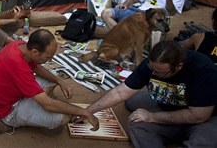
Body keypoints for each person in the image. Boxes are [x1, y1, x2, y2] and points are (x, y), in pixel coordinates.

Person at [82, 40, 217, 147]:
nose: (153, 74)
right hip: (169, 104)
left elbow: (198, 116)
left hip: (203, 117)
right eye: (152, 69)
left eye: (159, 72)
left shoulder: (203, 70)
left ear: (179, 66)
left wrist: (152, 117)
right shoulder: (153, 64)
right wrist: (87, 111)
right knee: (135, 115)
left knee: (204, 141)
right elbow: (120, 91)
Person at [0, 29, 99, 130]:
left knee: (51, 79)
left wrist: (59, 81)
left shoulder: (21, 45)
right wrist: (84, 112)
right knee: (63, 119)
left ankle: (36, 104)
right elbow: (47, 105)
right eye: (48, 57)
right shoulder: (18, 65)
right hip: (7, 111)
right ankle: (34, 106)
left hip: (10, 93)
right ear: (35, 52)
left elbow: (37, 67)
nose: (49, 61)